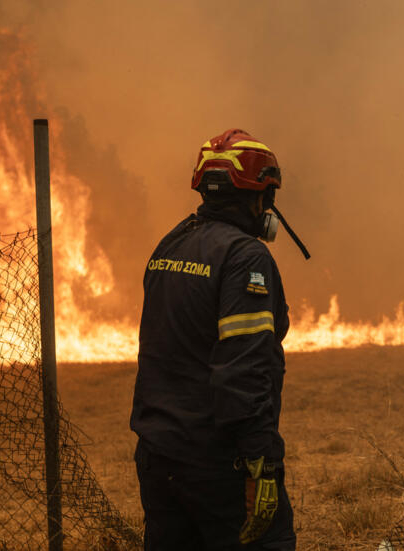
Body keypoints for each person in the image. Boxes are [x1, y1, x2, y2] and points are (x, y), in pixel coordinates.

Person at [131, 129, 306, 550]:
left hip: (159, 457)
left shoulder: (169, 245)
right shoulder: (246, 257)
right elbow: (243, 371)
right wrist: (260, 466)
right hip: (217, 465)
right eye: (269, 194)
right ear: (258, 196)